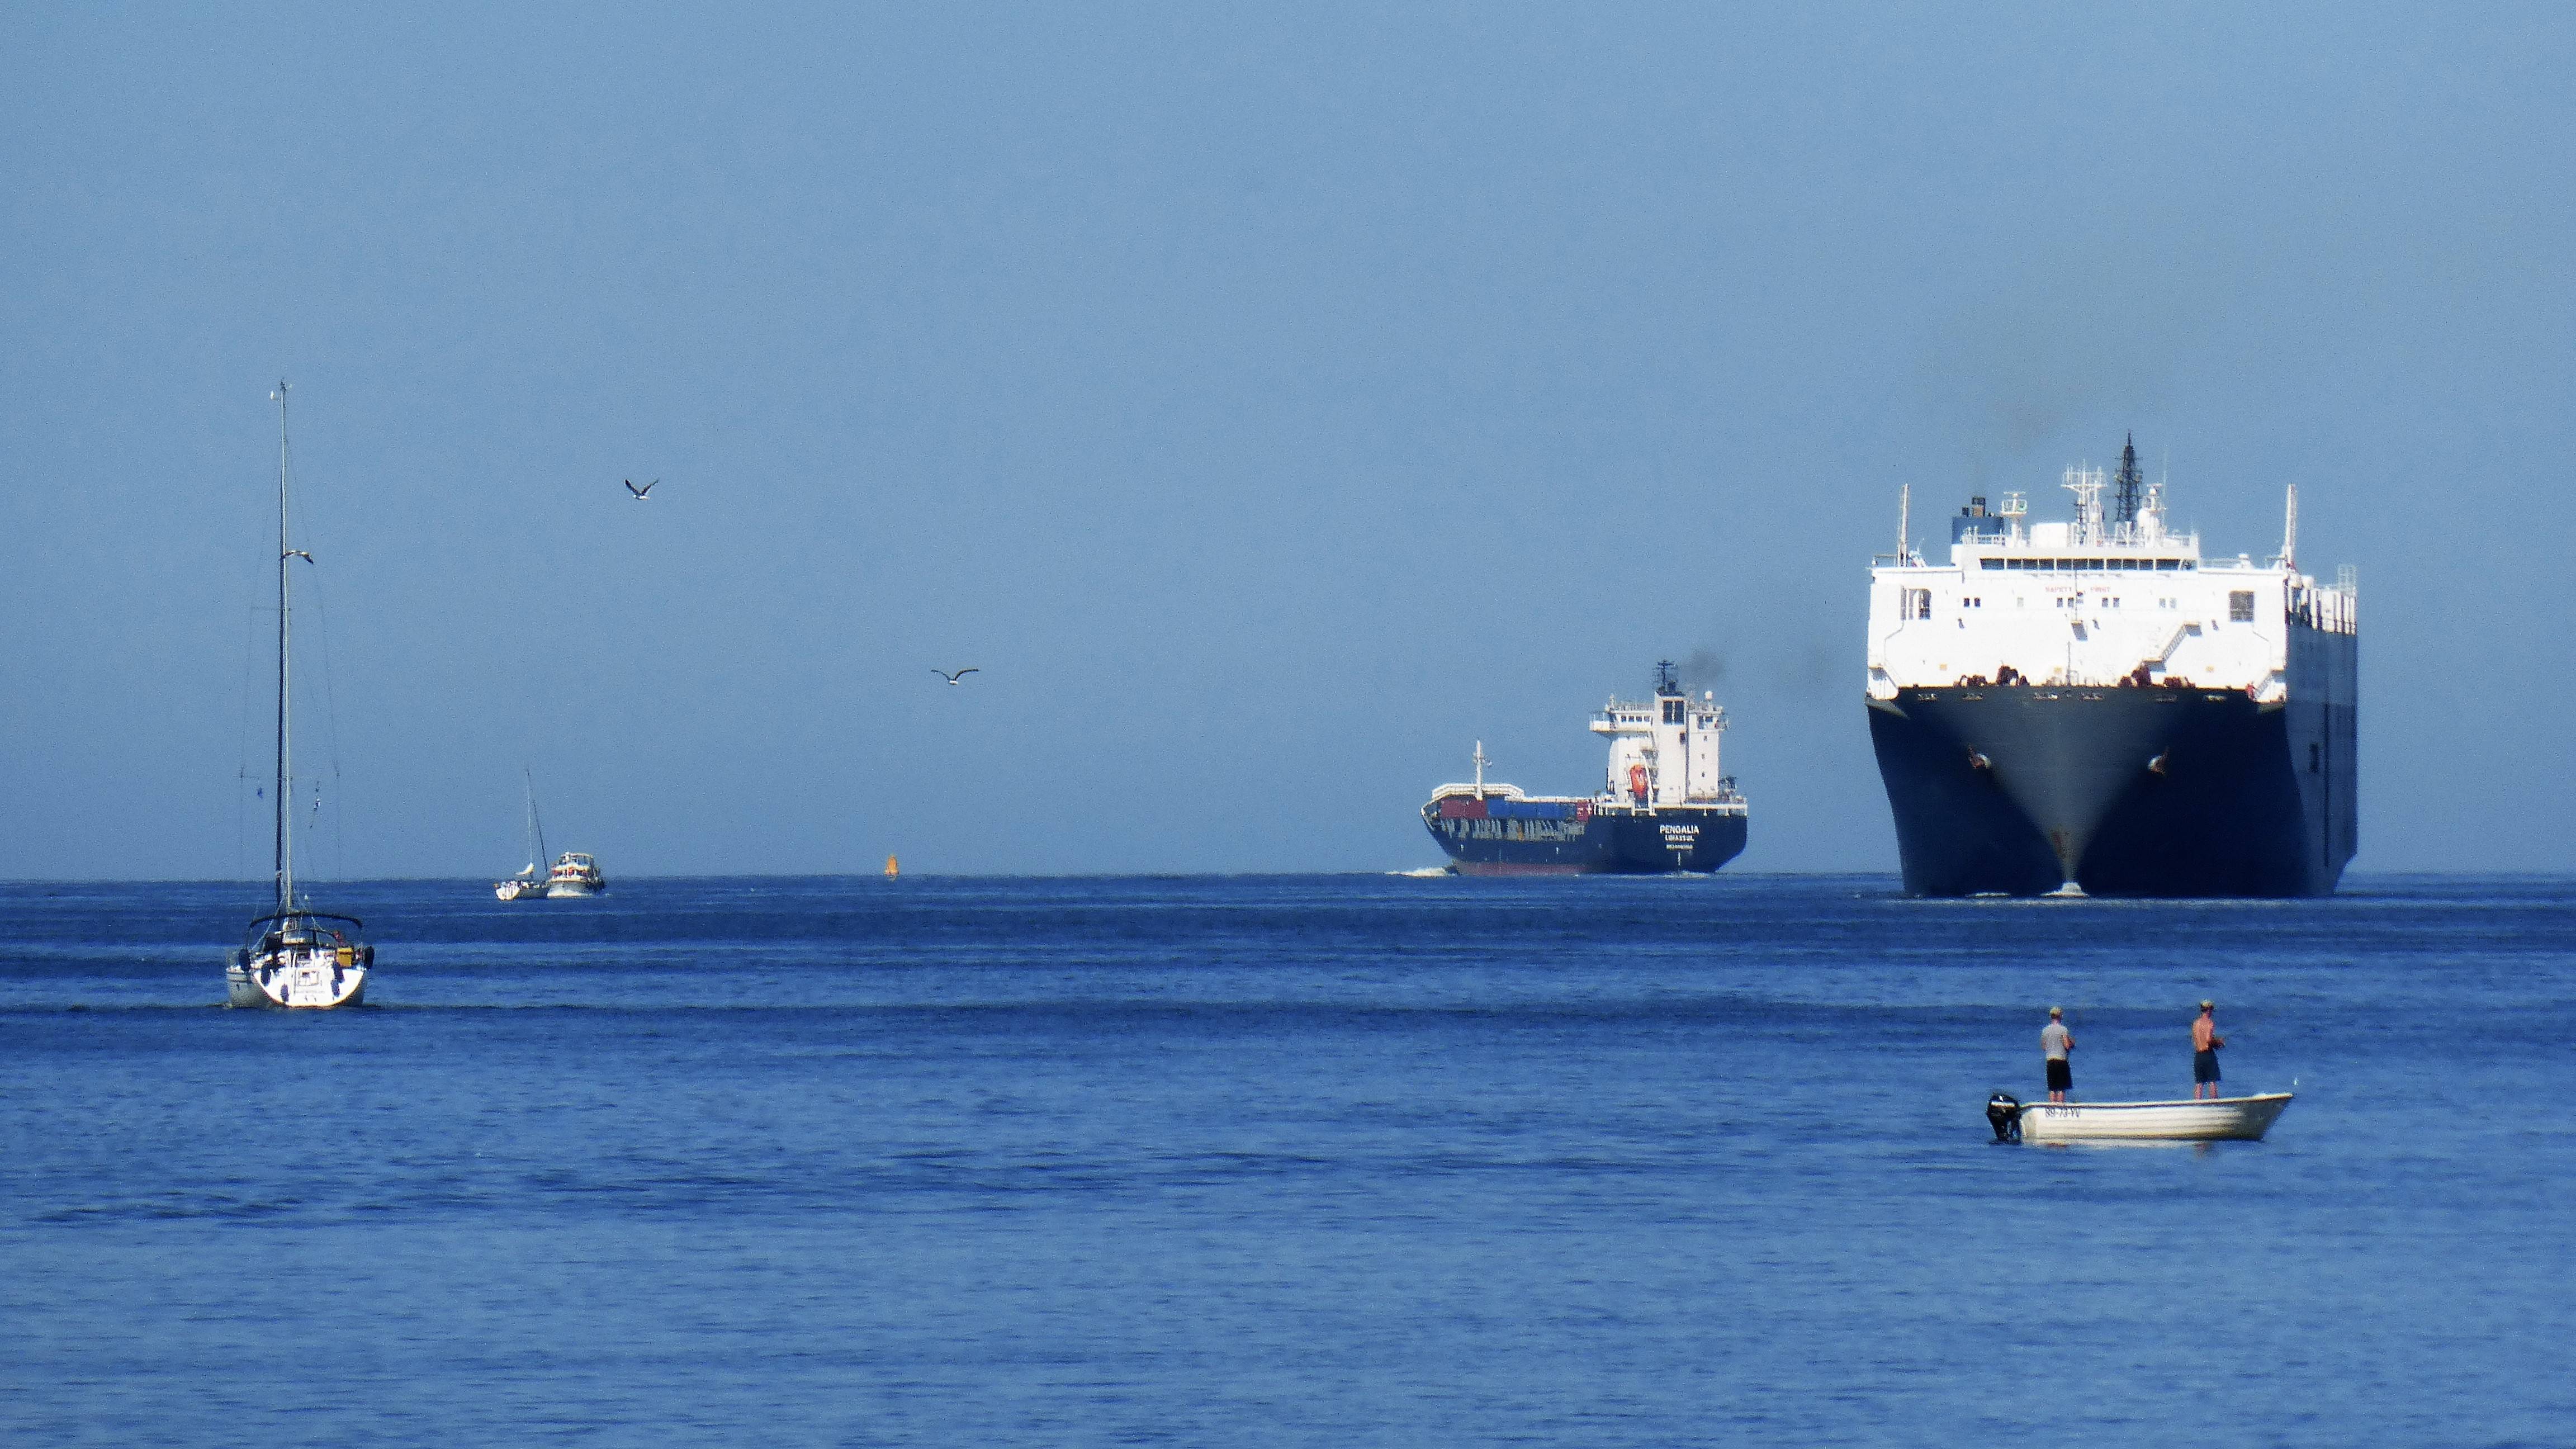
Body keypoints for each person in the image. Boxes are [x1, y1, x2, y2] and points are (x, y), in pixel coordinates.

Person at [2192, 1000, 2227, 1100]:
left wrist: (2215, 1042)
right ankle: (2215, 1103)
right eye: (2211, 1010)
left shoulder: (2195, 1024)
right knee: (2212, 1081)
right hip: (2208, 1054)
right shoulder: (2210, 1023)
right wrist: (2218, 1042)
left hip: (2198, 1055)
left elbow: (2197, 1040)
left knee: (2199, 1083)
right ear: (2209, 1010)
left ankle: (2197, 1104)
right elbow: (2208, 1040)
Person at [2040, 1006, 2074, 1103]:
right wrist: (2072, 1043)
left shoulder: (2045, 1030)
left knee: (2052, 1088)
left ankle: (2052, 1108)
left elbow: (2044, 1047)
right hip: (2061, 1061)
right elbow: (2067, 1046)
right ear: (2060, 1016)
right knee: (2061, 1088)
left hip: (2050, 1061)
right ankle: (2060, 1108)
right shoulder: (2063, 1030)